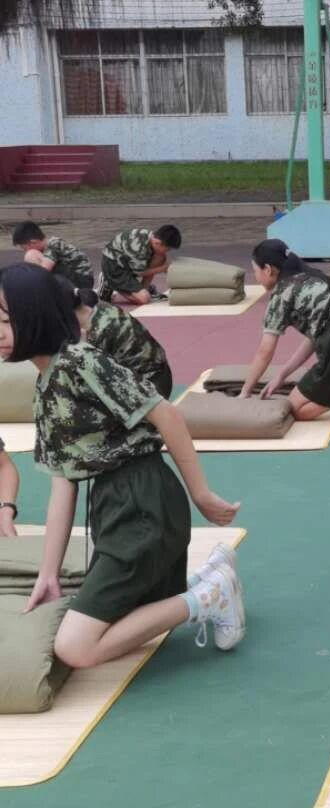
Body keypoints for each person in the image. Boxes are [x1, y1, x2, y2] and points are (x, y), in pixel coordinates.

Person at [0, 264, 243, 668]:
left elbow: (167, 416)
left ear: (35, 313)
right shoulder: (46, 384)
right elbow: (64, 482)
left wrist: (200, 493)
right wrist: (49, 572)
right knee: (123, 621)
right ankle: (201, 584)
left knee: (76, 648)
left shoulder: (80, 362)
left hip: (141, 501)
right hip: (116, 509)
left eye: (4, 320)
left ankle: (210, 594)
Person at [241, 240, 330, 422]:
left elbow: (264, 352)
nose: (255, 276)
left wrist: (245, 392)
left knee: (296, 409)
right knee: (328, 359)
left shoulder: (282, 294)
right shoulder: (316, 277)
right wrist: (282, 374)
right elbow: (314, 338)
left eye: (255, 271)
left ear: (268, 270)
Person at [72, 283, 173, 398]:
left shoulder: (98, 331)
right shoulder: (100, 309)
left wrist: (81, 349)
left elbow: (87, 380)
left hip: (150, 391)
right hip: (158, 377)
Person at [98, 223, 182, 305]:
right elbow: (139, 272)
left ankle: (143, 288)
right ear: (158, 243)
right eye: (167, 249)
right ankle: (109, 282)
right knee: (144, 298)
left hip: (126, 262)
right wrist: (162, 269)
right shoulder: (138, 248)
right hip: (114, 266)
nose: (167, 252)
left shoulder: (151, 237)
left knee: (160, 257)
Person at [12, 222, 93, 289]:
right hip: (72, 279)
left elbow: (43, 271)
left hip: (81, 280)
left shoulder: (53, 243)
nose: (25, 251)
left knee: (31, 255)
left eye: (24, 248)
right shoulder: (46, 249)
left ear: (33, 242)